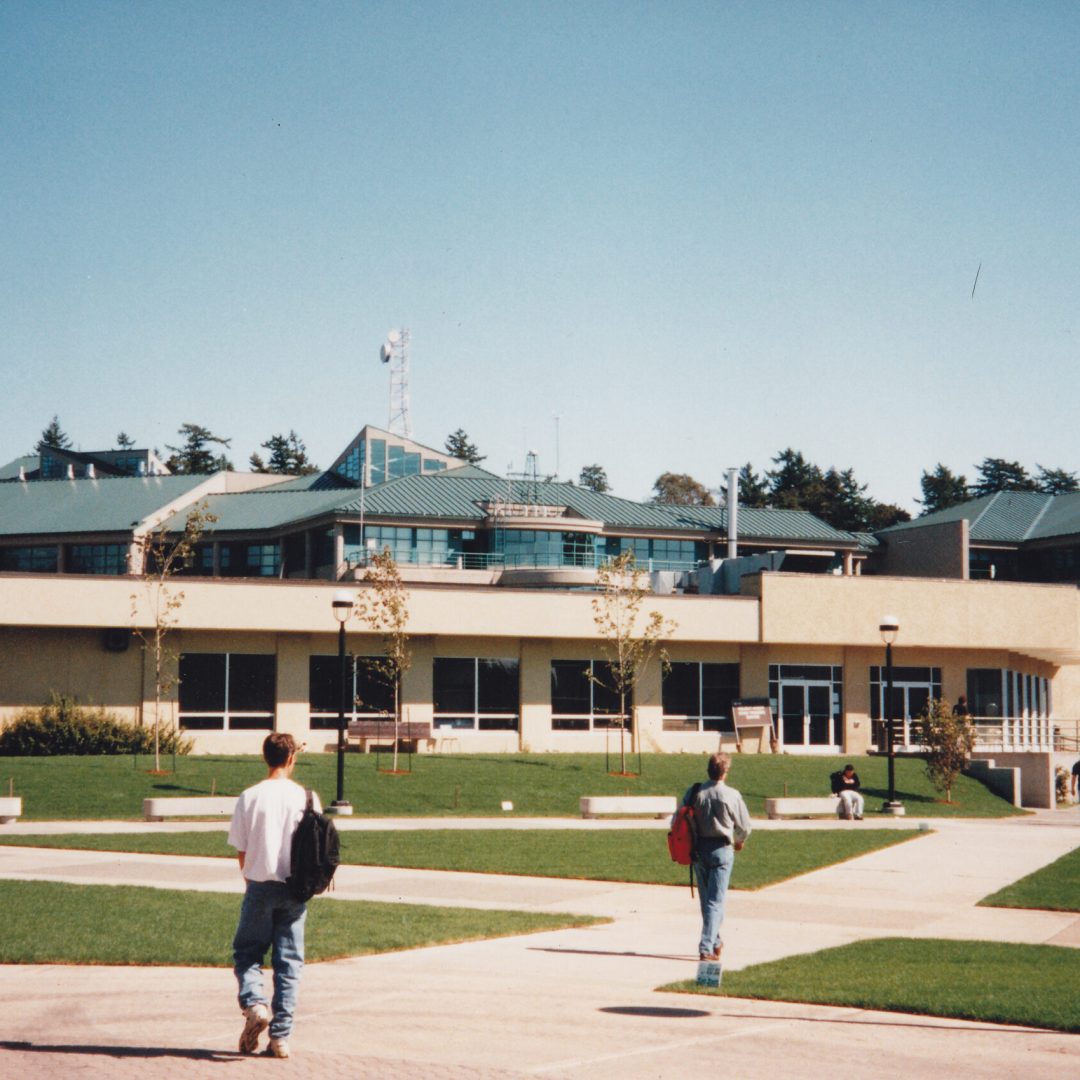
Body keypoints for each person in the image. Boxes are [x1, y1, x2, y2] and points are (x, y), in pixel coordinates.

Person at [228, 733, 321, 1059]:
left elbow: (241, 848)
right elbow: (316, 848)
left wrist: (250, 878)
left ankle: (255, 1003)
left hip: (259, 884)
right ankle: (280, 1037)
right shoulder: (308, 798)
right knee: (289, 963)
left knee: (247, 953)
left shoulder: (249, 796)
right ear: (292, 758)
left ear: (265, 757)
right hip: (295, 889)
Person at [675, 752, 752, 961]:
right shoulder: (732, 795)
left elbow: (677, 817)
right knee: (715, 902)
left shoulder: (695, 792)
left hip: (699, 849)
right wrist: (740, 840)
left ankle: (715, 941)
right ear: (725, 772)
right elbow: (744, 826)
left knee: (706, 901)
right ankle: (706, 947)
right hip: (722, 849)